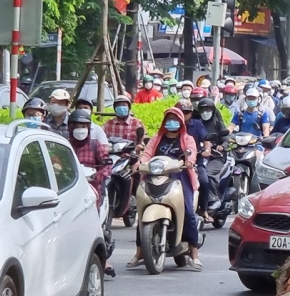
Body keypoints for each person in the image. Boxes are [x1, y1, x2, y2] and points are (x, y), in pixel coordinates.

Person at [128, 107, 202, 271]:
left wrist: (189, 160)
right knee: (142, 209)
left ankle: (194, 251)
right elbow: (147, 154)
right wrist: (139, 163)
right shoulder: (156, 138)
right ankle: (140, 251)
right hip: (155, 175)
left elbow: (191, 153)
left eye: (175, 119)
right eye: (169, 119)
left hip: (179, 177)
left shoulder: (187, 139)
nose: (172, 122)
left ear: (181, 122)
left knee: (188, 211)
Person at [67, 108, 111, 201]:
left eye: (83, 126)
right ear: (70, 128)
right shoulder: (65, 145)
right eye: (77, 127)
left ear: (88, 128)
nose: (80, 130)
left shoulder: (95, 145)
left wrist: (97, 176)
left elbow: (107, 164)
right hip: (70, 190)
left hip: (92, 190)